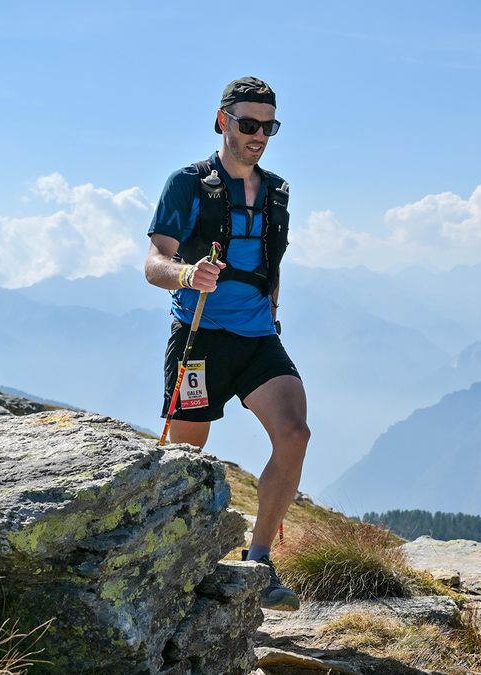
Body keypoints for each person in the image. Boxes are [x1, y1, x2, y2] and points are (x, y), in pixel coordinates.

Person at [144, 76, 308, 611]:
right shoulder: (187, 182)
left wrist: (274, 316)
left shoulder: (279, 191)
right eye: (249, 124)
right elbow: (154, 264)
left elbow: (271, 266)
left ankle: (259, 561)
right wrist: (187, 273)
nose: (259, 135)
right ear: (223, 121)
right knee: (186, 457)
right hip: (200, 336)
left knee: (295, 433)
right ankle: (166, 558)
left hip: (259, 337)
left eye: (269, 126)